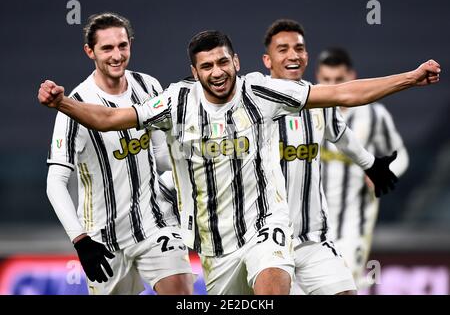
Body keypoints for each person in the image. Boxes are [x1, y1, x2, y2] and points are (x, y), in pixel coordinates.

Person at [38, 30, 440, 294]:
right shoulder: (176, 102)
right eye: (207, 66)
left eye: (223, 62)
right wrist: (63, 103)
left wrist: (410, 77)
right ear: (193, 73)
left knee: (271, 282)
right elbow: (109, 119)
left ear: (237, 61)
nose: (217, 73)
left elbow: (343, 95)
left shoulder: (261, 92)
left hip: (267, 227)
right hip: (216, 246)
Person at [45, 12, 193, 295]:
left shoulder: (148, 86)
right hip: (103, 240)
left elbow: (162, 156)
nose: (117, 55)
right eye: (107, 48)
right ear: (90, 51)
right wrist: (80, 240)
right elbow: (55, 182)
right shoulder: (74, 107)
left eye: (122, 46)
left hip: (155, 225)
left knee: (182, 294)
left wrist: (191, 164)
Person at [262, 19, 398, 295]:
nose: (292, 55)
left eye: (299, 48)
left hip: (312, 238)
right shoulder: (254, 97)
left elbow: (340, 132)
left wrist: (369, 164)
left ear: (306, 56)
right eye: (283, 49)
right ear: (267, 60)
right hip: (266, 240)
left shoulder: (319, 100)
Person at [317, 47, 409, 289]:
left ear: (352, 77)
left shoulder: (374, 115)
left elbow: (401, 156)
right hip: (313, 223)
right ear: (318, 78)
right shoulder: (311, 111)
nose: (333, 86)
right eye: (326, 80)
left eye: (339, 80)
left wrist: (382, 174)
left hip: (354, 222)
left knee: (343, 285)